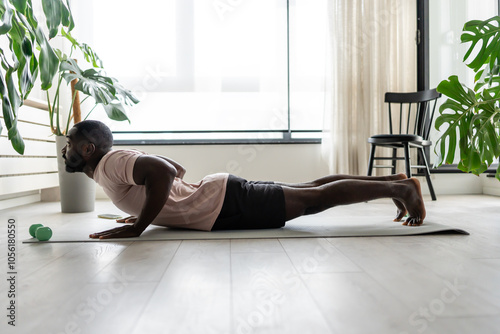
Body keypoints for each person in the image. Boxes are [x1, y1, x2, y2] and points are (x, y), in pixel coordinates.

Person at [61, 120, 426, 240]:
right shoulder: (112, 166)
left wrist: (139, 225)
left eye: (69, 144)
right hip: (221, 196)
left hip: (222, 203)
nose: (65, 150)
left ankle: (399, 188)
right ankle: (392, 181)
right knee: (311, 188)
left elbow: (163, 170)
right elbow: (172, 172)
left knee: (312, 199)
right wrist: (147, 210)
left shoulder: (109, 164)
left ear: (89, 149)